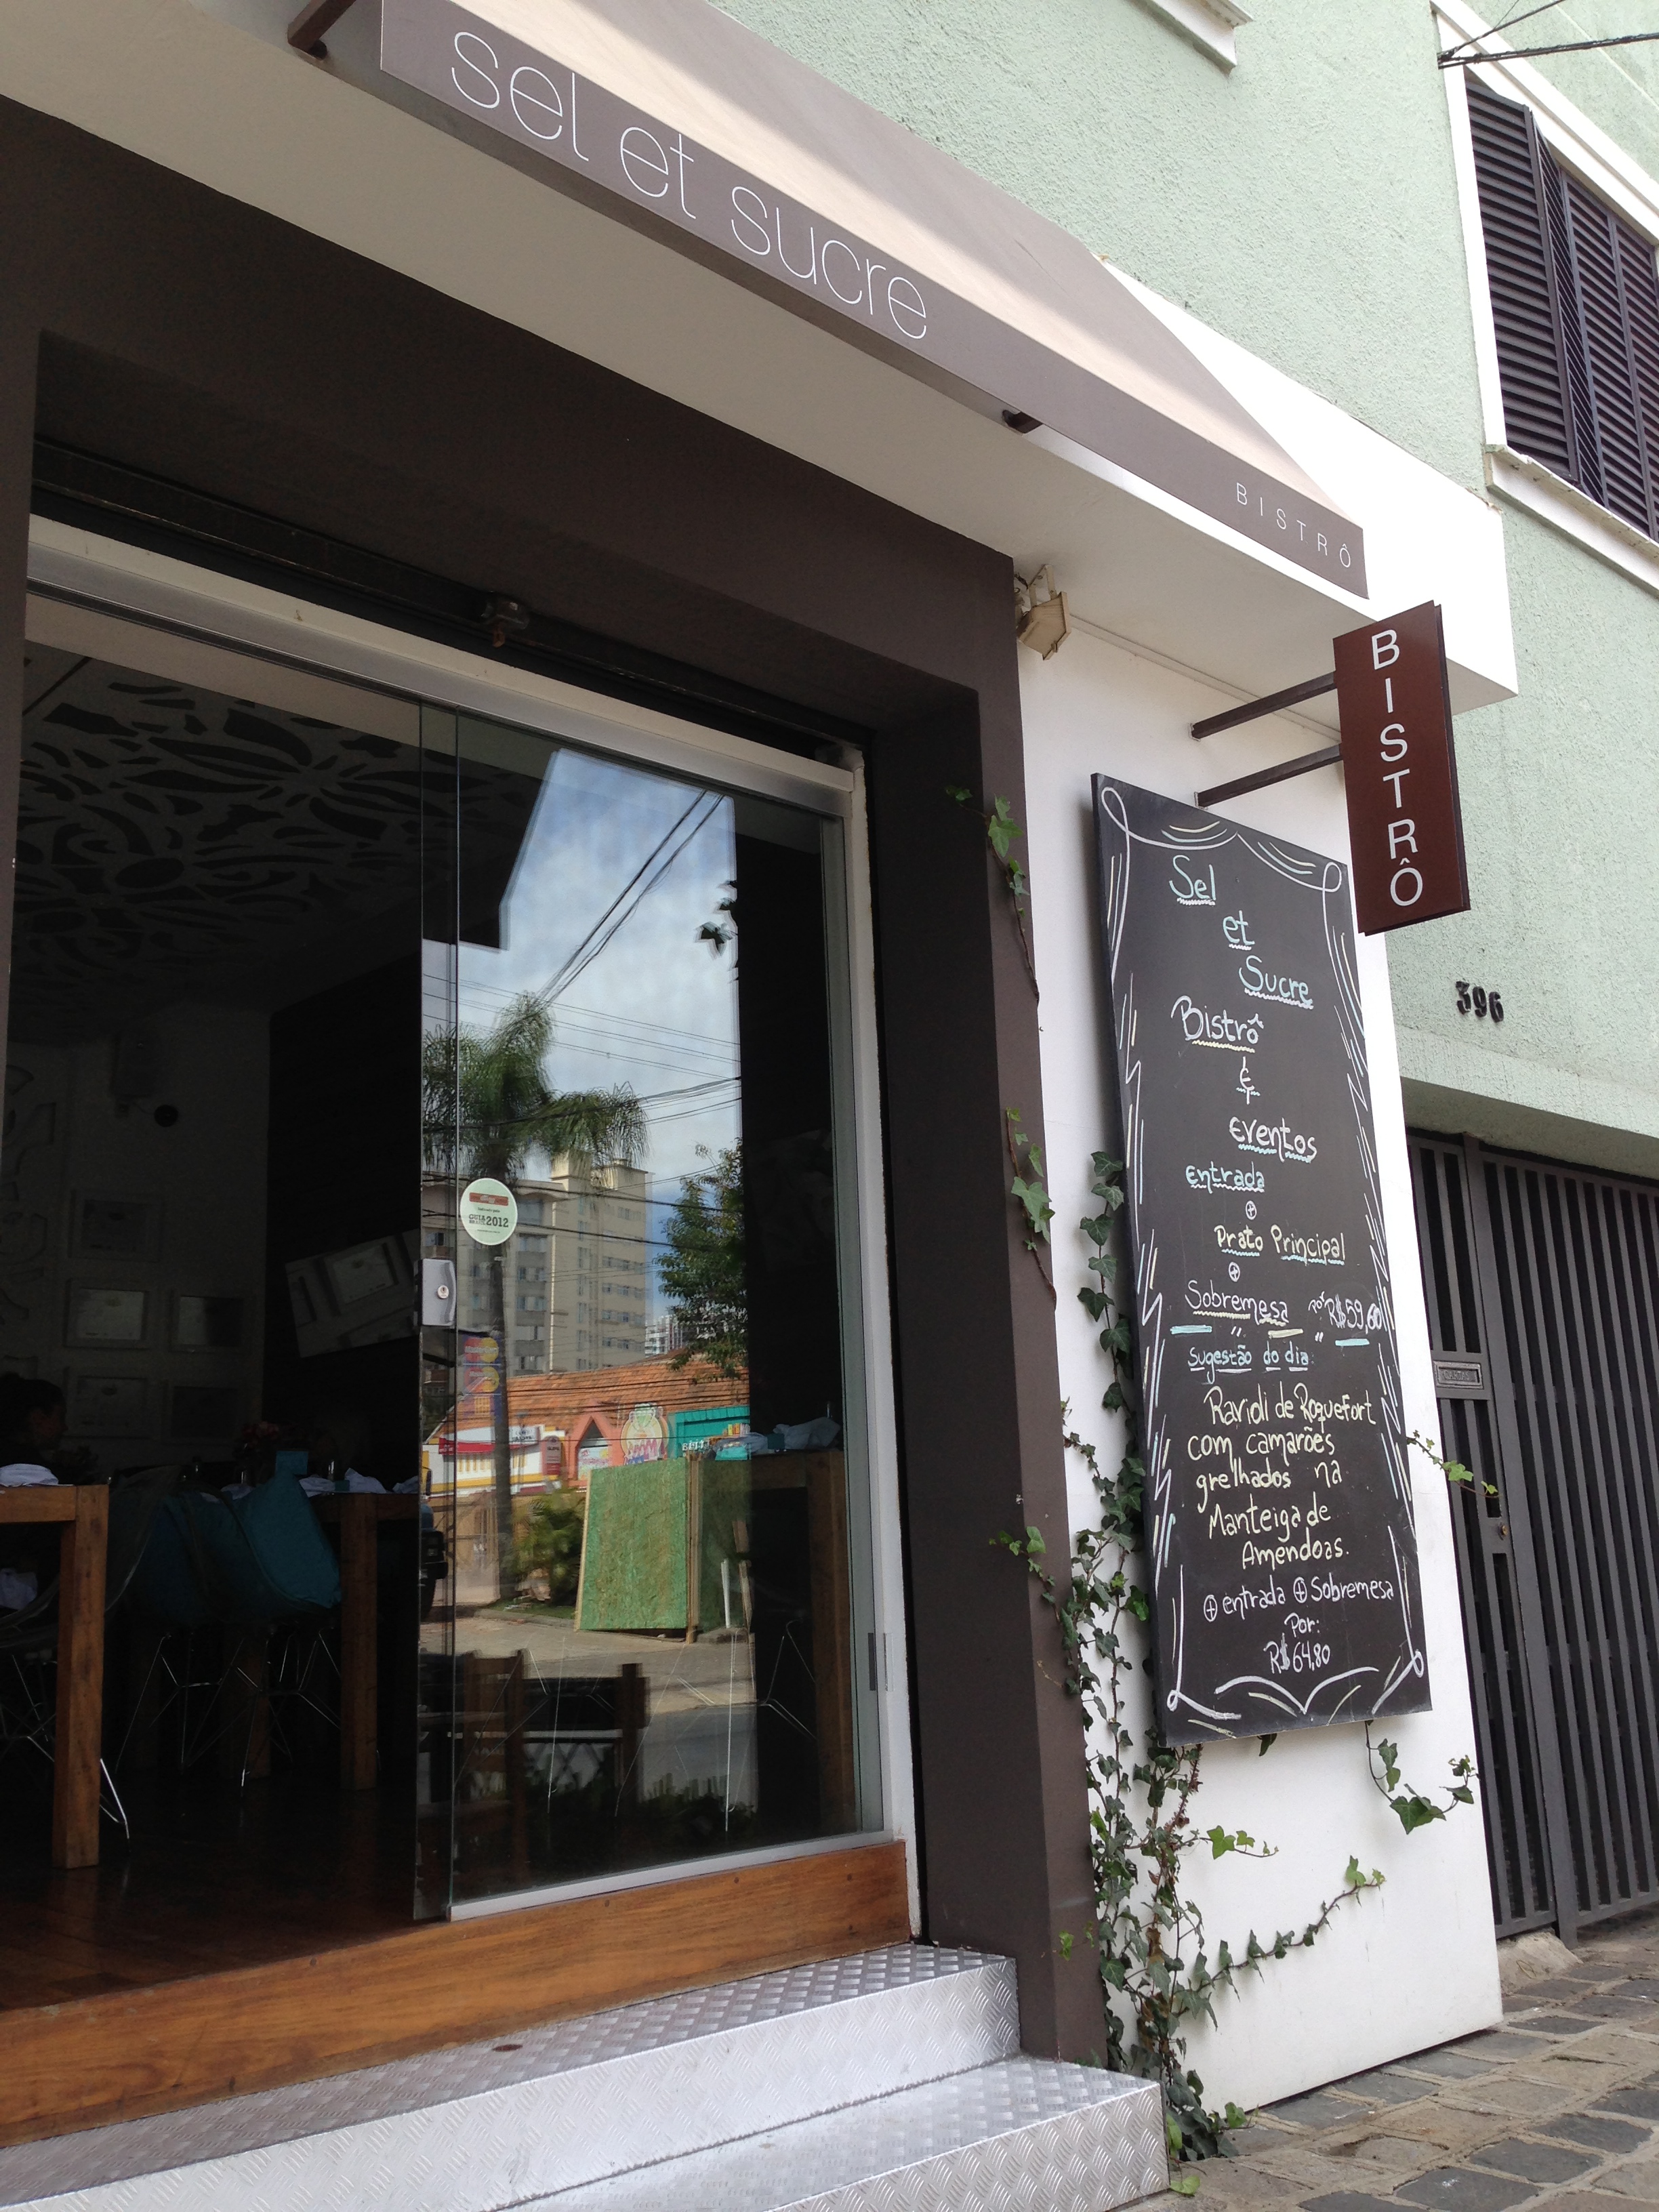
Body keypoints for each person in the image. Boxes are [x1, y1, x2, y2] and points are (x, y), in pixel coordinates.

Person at [0, 1376, 64, 1611]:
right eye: (60, 1417)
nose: (64, 1428)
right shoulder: (28, 1469)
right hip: (26, 1599)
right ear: (37, 1418)